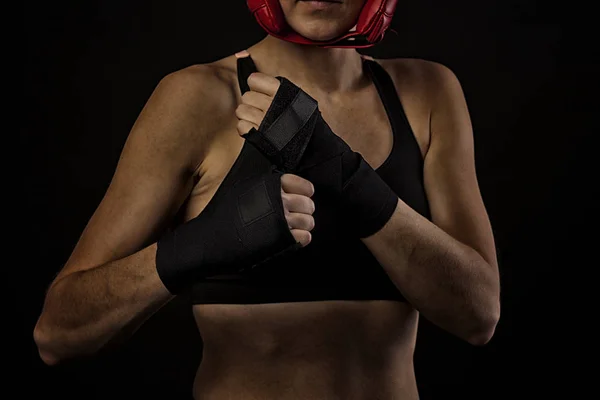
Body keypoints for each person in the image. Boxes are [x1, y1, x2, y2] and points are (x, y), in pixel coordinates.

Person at [34, 0, 501, 398]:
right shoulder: (196, 98)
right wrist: (198, 247)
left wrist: (344, 174)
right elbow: (58, 334)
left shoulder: (427, 92)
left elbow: (479, 315)